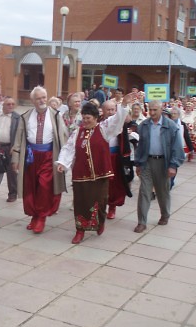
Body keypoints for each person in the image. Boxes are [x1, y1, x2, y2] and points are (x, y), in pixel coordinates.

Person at [56, 93, 134, 243]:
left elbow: (117, 120)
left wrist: (123, 105)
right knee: (80, 203)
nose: (85, 121)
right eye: (83, 118)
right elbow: (68, 148)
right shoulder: (77, 132)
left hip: (100, 174)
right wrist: (62, 163)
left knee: (100, 202)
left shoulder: (104, 129)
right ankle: (80, 230)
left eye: (88, 118)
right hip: (80, 175)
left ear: (95, 118)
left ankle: (100, 222)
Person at [11, 86, 67, 234]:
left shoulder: (56, 115)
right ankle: (34, 215)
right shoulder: (26, 116)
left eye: (44, 97)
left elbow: (63, 137)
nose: (42, 100)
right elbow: (19, 138)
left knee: (44, 186)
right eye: (38, 98)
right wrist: (16, 159)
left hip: (49, 156)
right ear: (33, 101)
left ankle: (41, 217)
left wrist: (63, 160)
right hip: (30, 156)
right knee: (31, 187)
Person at [133, 100, 184, 233]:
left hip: (163, 163)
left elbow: (177, 148)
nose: (152, 113)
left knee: (163, 191)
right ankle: (141, 222)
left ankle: (165, 214)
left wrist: (173, 165)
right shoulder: (144, 125)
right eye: (150, 110)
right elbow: (140, 146)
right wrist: (138, 163)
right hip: (147, 162)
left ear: (161, 110)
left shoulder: (170, 126)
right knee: (144, 191)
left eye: (155, 110)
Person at [0, 73, 20, 203]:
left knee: (12, 174)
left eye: (13, 104)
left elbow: (20, 134)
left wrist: (16, 148)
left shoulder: (17, 118)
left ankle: (12, 194)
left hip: (10, 148)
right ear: (3, 105)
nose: (11, 106)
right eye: (8, 104)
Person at [101, 100, 133, 220]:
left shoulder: (121, 123)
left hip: (116, 157)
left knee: (115, 183)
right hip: (102, 157)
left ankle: (112, 207)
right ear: (103, 111)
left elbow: (131, 123)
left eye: (112, 110)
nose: (110, 112)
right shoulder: (99, 122)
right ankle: (101, 206)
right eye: (108, 110)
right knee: (101, 183)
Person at [166, 107, 192, 190]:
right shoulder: (167, 123)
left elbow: (186, 136)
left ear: (178, 115)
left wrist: (191, 148)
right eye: (172, 114)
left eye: (175, 114)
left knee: (174, 165)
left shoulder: (182, 124)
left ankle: (171, 181)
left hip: (178, 148)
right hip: (168, 148)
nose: (173, 115)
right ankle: (168, 182)